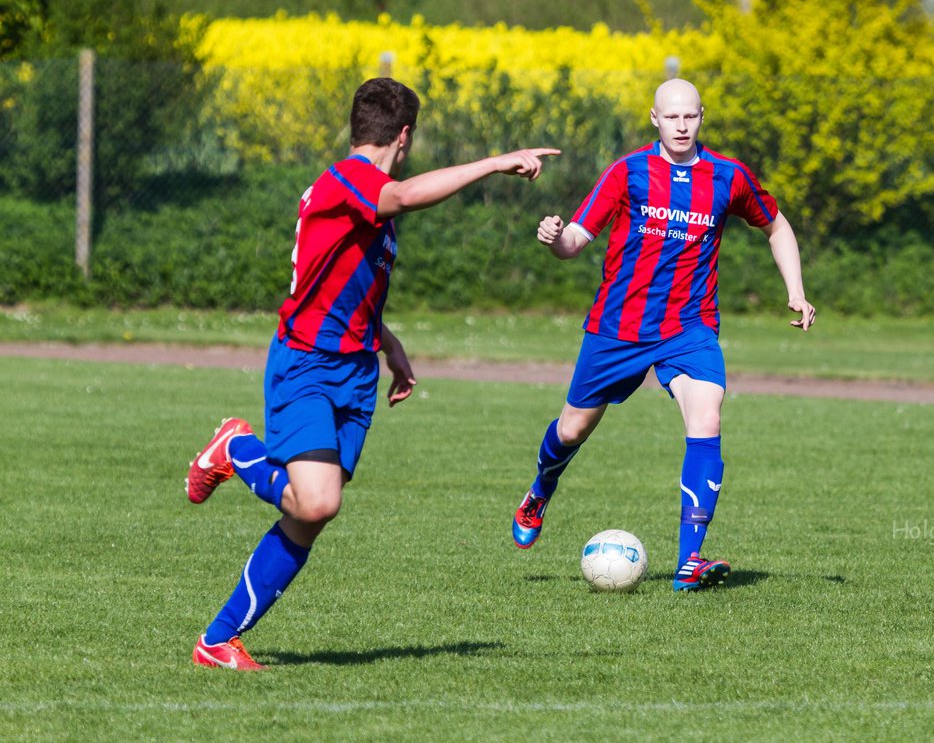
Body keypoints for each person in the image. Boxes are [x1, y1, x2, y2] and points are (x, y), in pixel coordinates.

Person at [185, 77, 558, 670]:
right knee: (316, 503)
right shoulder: (352, 180)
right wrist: (494, 162)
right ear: (404, 136)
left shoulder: (365, 201)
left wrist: (389, 344)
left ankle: (217, 640)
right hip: (308, 360)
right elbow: (406, 196)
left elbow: (339, 281)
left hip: (354, 367)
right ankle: (236, 449)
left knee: (312, 513)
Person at [510, 78, 816, 591]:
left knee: (708, 415)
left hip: (689, 327)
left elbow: (777, 225)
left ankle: (689, 562)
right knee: (573, 429)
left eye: (690, 117)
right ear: (655, 118)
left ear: (701, 117)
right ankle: (541, 488)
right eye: (671, 117)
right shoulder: (627, 173)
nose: (681, 125)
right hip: (619, 326)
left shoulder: (728, 176)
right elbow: (575, 243)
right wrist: (552, 238)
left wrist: (797, 290)